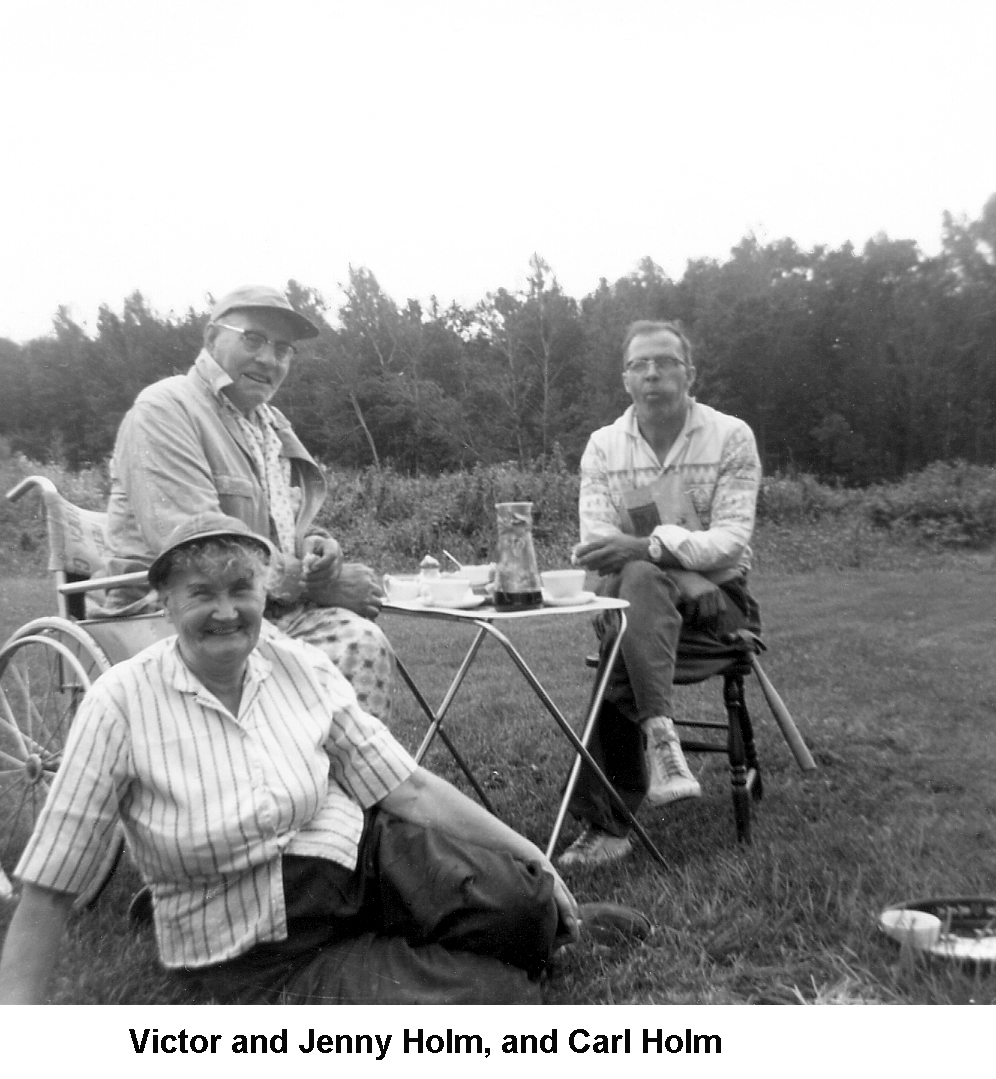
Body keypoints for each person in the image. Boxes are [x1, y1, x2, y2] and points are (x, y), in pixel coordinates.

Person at [0, 514, 583, 1005]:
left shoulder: (295, 662)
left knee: (529, 903)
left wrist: (533, 853)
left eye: (241, 590)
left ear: (264, 595)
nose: (226, 611)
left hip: (355, 858)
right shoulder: (119, 702)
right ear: (165, 602)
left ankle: (449, 929)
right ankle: (398, 955)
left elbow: (406, 788)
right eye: (202, 593)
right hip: (262, 940)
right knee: (496, 1001)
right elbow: (51, 885)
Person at [94, 284, 393, 722]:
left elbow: (279, 523)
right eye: (253, 339)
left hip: (254, 604)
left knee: (361, 641)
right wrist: (317, 585)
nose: (270, 360)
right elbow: (195, 546)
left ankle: (341, 786)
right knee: (350, 648)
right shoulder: (165, 409)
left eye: (283, 349)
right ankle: (324, 781)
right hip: (168, 612)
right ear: (213, 338)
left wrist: (315, 548)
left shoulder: (268, 425)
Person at [559, 320, 762, 869]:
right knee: (639, 590)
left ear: (689, 373)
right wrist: (672, 566)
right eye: (640, 364)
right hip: (640, 597)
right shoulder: (604, 446)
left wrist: (654, 551)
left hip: (718, 604)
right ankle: (662, 737)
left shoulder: (731, 436)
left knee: (622, 640)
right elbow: (597, 545)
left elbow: (731, 541)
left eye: (666, 362)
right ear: (626, 378)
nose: (653, 373)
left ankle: (609, 824)